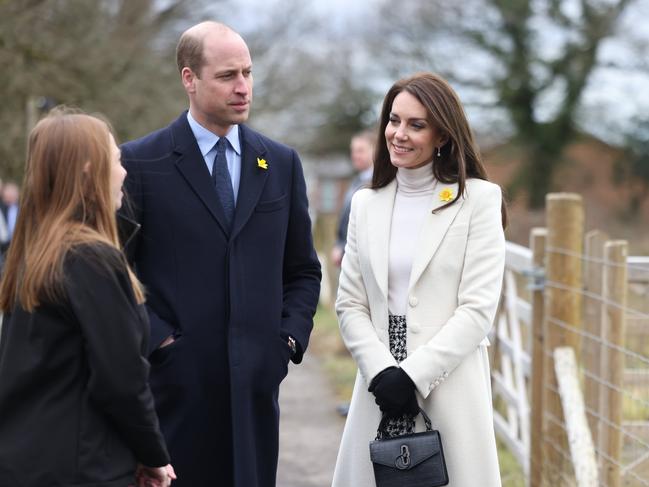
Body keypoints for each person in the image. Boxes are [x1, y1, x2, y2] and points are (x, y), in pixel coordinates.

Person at [118, 21, 321, 487]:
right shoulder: (141, 162)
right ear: (189, 79)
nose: (243, 87)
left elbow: (303, 270)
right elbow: (117, 272)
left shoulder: (280, 163)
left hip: (255, 393)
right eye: (228, 75)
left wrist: (287, 340)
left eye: (248, 73)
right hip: (174, 395)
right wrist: (160, 343)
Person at [332, 73, 507, 486]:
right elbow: (350, 304)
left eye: (416, 124)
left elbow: (477, 308)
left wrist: (412, 375)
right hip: (379, 389)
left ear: (443, 135)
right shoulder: (364, 204)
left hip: (448, 389)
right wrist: (382, 373)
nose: (399, 134)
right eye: (394, 121)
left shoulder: (478, 200)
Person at [0, 108, 175, 487]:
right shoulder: (91, 260)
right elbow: (122, 381)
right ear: (86, 170)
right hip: (82, 467)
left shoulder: (32, 254)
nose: (124, 172)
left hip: (27, 462)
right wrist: (153, 455)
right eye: (115, 160)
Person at [330, 130, 375, 267]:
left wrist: (343, 248)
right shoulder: (356, 181)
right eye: (353, 151)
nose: (355, 155)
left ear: (375, 151)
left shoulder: (378, 184)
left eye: (360, 151)